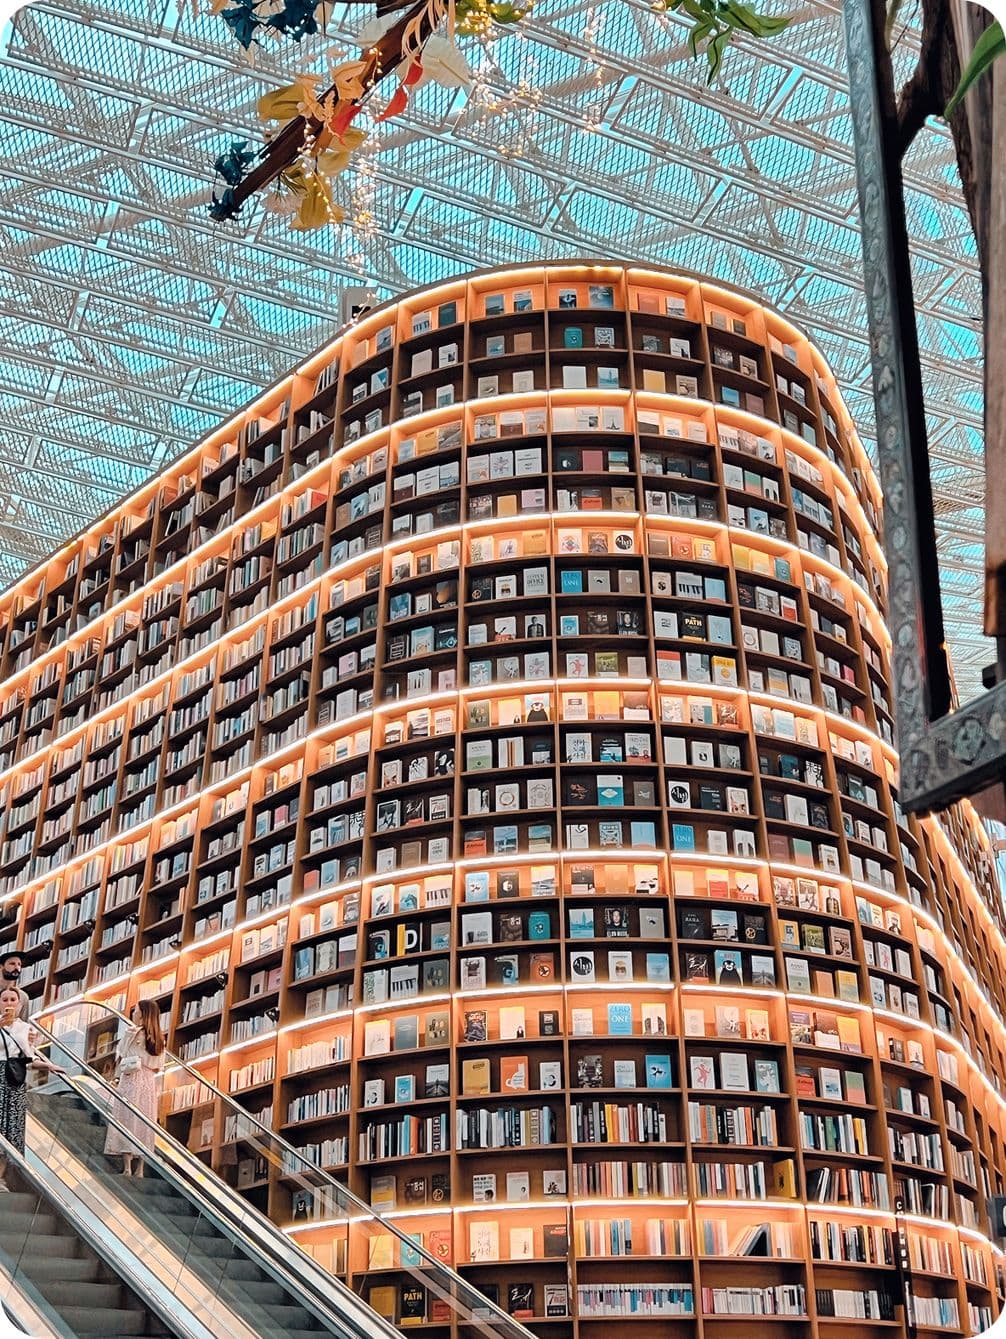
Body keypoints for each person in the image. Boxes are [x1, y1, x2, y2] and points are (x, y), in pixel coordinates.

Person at [0, 987, 64, 1189]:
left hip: (14, 1080)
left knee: (11, 1129)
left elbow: (28, 1056)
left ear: (20, 1005)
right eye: (4, 999)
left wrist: (48, 1065)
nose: (9, 1003)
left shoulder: (26, 1028)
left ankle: (2, 1177)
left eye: (13, 1000)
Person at [104, 1000, 165, 1177]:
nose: (133, 1014)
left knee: (126, 1120)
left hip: (131, 1078)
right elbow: (158, 1066)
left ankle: (128, 1167)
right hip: (149, 1082)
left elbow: (121, 1053)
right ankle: (141, 1169)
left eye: (136, 1011)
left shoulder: (132, 1032)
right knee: (145, 1123)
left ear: (143, 1014)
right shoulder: (160, 1039)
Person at [0, 956, 28, 1022]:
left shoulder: (23, 996)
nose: (16, 968)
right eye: (12, 964)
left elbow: (24, 1022)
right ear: (1, 967)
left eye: (19, 964)